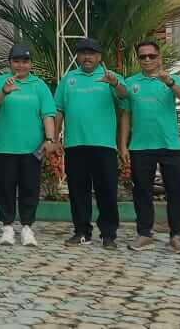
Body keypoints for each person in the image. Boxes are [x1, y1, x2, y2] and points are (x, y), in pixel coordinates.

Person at [53, 37, 127, 249]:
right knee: (78, 192)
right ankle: (82, 232)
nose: (87, 57)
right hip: (75, 144)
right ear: (77, 56)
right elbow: (59, 110)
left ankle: (109, 234)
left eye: (92, 53)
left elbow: (125, 96)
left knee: (107, 191)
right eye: (83, 53)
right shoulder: (69, 79)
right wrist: (55, 139)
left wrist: (114, 83)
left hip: (104, 145)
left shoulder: (110, 77)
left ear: (99, 56)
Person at [118, 40, 180, 254]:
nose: (148, 59)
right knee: (141, 191)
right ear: (138, 59)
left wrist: (169, 82)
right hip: (140, 146)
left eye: (152, 55)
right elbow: (126, 115)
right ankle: (144, 234)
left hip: (170, 145)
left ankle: (176, 236)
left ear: (159, 57)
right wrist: (123, 145)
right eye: (143, 56)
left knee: (175, 191)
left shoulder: (171, 79)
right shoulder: (130, 83)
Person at [0, 44, 58, 247]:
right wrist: (4, 91)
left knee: (30, 188)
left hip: (32, 148)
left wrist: (50, 139)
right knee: (5, 187)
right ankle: (7, 227)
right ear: (10, 63)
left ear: (31, 64)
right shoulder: (0, 81)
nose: (21, 65)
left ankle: (27, 227)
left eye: (25, 61)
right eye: (16, 61)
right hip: (5, 146)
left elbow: (48, 114)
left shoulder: (39, 85)